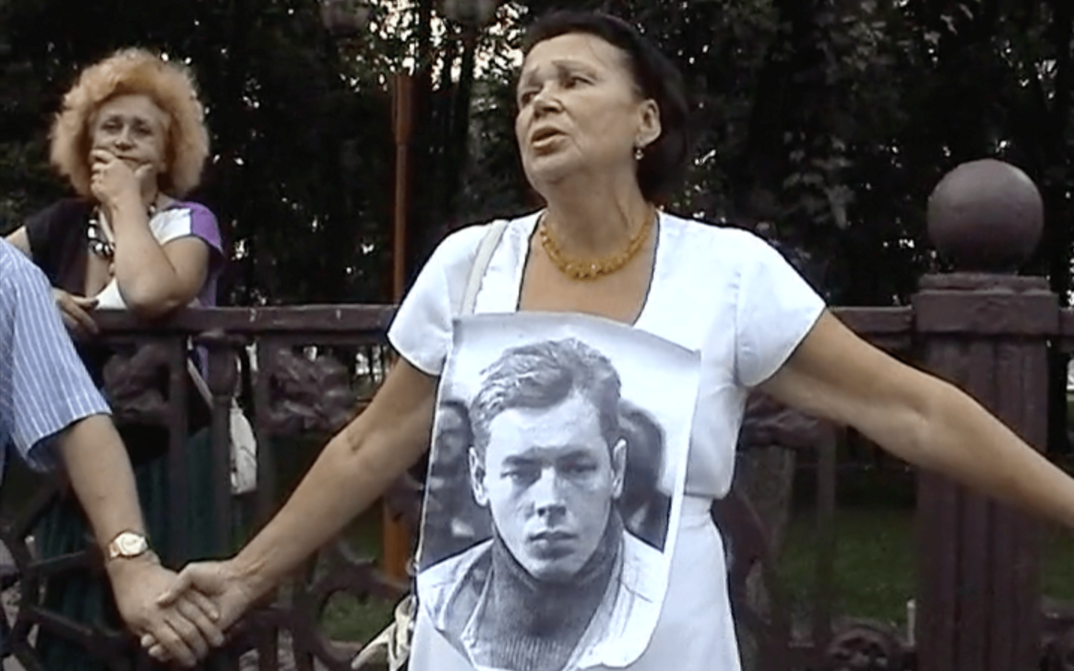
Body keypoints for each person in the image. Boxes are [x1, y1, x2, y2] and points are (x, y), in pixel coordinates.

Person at [148, 10, 1074, 670]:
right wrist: (243, 576)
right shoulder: (470, 265)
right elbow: (365, 444)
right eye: (524, 93)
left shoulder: (729, 274)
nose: (540, 102)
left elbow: (910, 408)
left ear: (646, 122)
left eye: (573, 81)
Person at [3, 48, 225, 670]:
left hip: (171, 452)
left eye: (142, 129)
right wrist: (39, 293)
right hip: (77, 457)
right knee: (74, 625)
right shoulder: (60, 224)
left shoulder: (190, 222)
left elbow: (154, 291)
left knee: (170, 622)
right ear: (85, 139)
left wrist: (127, 205)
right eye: (111, 126)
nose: (124, 139)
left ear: (168, 148)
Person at [0, 238, 224, 667]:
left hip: (158, 448)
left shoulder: (7, 277)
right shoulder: (52, 232)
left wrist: (131, 561)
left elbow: (75, 418)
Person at [420, 338, 661, 671]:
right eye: (521, 472)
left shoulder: (667, 597)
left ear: (616, 470)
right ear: (479, 478)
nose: (550, 501)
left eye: (577, 469)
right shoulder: (441, 601)